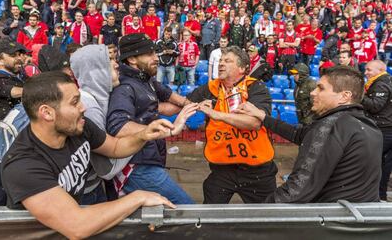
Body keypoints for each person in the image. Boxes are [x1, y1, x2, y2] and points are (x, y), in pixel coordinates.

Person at [1, 71, 178, 239]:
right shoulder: (22, 166)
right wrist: (138, 197)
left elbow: (115, 147)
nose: (83, 107)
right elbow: (77, 226)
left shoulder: (78, 127)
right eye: (74, 102)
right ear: (47, 113)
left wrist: (144, 134)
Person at [236, 66, 382, 203]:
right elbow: (299, 134)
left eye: (321, 88)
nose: (313, 92)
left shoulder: (331, 126)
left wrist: (259, 212)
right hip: (360, 219)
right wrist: (263, 117)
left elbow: (296, 191)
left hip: (333, 221)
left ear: (344, 97)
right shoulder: (366, 125)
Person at [106, 33, 198, 204]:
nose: (156, 58)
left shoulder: (146, 79)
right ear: (132, 59)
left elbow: (169, 95)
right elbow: (119, 126)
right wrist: (168, 129)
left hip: (149, 160)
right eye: (150, 54)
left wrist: (191, 104)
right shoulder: (125, 87)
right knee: (187, 209)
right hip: (137, 166)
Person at [187, 46, 277, 204]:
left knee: (266, 220)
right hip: (222, 168)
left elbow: (255, 123)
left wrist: (217, 114)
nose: (221, 63)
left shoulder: (255, 87)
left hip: (257, 169)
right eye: (220, 60)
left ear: (242, 68)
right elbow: (183, 103)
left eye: (227, 61)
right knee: (210, 216)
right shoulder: (210, 88)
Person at [0, 39, 27, 206]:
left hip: (16, 145)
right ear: (0, 59)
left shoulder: (19, 77)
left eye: (19, 54)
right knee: (0, 190)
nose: (19, 58)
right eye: (12, 55)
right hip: (2, 145)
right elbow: (2, 121)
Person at [362, 60, 392, 201]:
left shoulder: (381, 83)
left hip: (383, 130)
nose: (366, 72)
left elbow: (375, 106)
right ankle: (380, 196)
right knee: (384, 165)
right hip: (386, 129)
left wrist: (359, 96)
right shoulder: (386, 80)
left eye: (369, 70)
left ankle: (375, 196)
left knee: (374, 163)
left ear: (380, 70)